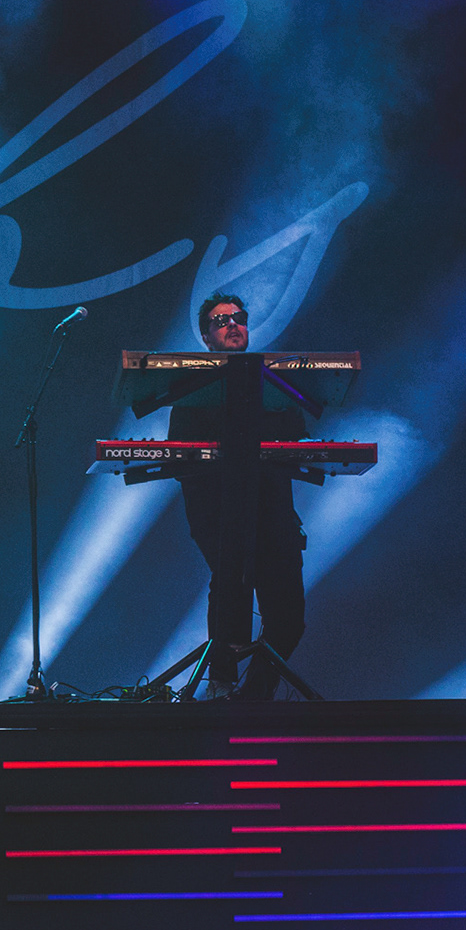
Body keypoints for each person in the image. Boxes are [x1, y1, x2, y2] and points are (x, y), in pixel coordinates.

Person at [167, 293, 307, 699]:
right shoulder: (193, 387)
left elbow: (297, 442)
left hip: (273, 511)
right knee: (231, 587)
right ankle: (222, 684)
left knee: (289, 616)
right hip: (218, 511)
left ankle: (253, 697)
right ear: (206, 337)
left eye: (239, 318)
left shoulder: (273, 382)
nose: (233, 324)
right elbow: (180, 457)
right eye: (221, 320)